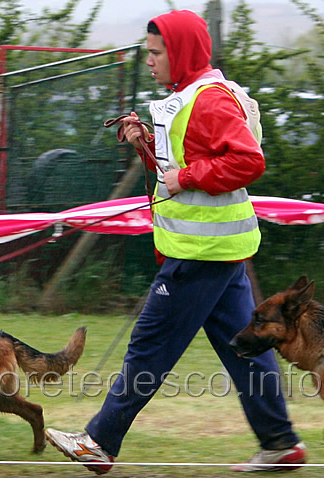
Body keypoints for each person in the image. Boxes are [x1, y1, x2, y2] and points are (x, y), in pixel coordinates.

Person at [45, 9, 306, 475]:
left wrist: (184, 176)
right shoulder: (191, 97)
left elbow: (246, 162)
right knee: (243, 347)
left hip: (199, 254)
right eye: (147, 53)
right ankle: (281, 444)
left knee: (148, 345)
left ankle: (100, 443)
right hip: (219, 250)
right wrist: (147, 147)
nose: (149, 61)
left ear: (180, 51)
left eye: (155, 52)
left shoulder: (208, 101)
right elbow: (177, 173)